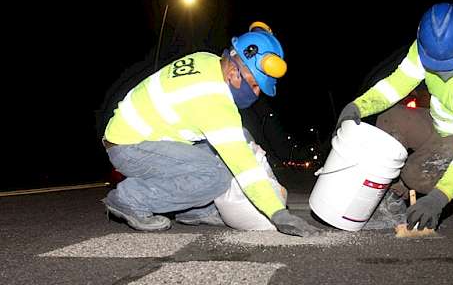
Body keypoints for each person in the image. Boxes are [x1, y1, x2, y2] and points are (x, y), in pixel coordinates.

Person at [101, 22, 320, 237]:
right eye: (255, 85)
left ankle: (195, 211)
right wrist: (278, 214)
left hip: (140, 135)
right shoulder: (213, 100)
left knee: (229, 149)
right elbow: (244, 168)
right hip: (131, 147)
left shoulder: (207, 60)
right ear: (234, 73)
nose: (256, 94)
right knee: (216, 176)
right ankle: (130, 199)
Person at [337, 2, 453, 230]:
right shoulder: (425, 47)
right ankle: (394, 200)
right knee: (390, 119)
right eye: (434, 65)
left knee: (418, 173)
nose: (442, 73)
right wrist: (359, 107)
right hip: (446, 125)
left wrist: (439, 198)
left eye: (450, 66)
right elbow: (397, 84)